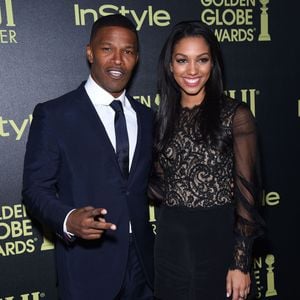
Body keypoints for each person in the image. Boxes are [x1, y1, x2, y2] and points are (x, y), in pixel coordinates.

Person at [22, 14, 154, 300]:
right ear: (90, 52)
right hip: (87, 270)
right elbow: (35, 189)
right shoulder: (55, 115)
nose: (118, 60)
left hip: (145, 268)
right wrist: (68, 219)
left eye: (128, 51)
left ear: (137, 58)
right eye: (107, 49)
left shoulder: (147, 117)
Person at [149, 21, 264, 300]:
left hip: (218, 241)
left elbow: (248, 196)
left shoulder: (234, 115)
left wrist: (240, 263)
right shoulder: (161, 119)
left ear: (213, 64)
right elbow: (160, 189)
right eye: (182, 60)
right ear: (170, 65)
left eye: (202, 60)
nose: (192, 70)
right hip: (171, 244)